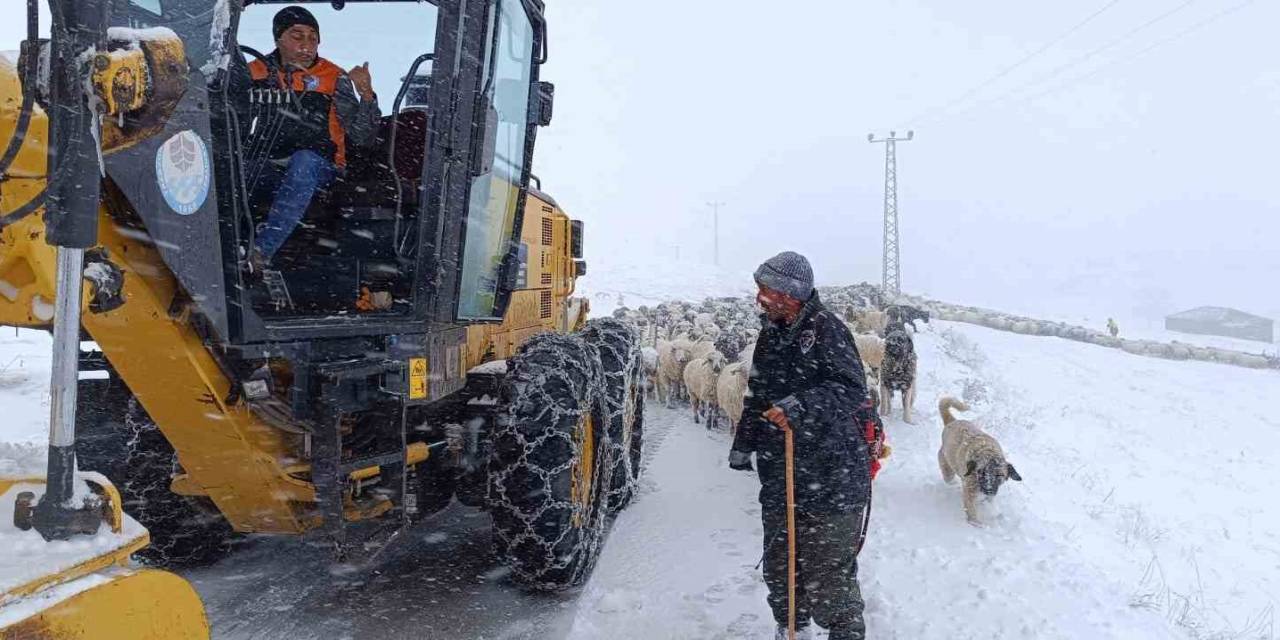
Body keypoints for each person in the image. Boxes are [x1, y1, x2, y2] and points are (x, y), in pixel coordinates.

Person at [729, 251, 873, 640]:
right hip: (783, 472)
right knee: (781, 562)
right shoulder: (770, 333)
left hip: (831, 472)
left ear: (790, 294)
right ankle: (792, 627)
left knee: (827, 571)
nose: (759, 298)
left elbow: (850, 389)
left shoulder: (827, 330)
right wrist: (745, 441)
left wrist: (800, 406)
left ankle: (844, 632)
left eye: (766, 290)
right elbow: (758, 391)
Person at [247, 6, 382, 268]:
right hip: (269, 164)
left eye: (313, 37)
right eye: (297, 36)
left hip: (322, 168)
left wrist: (366, 94)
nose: (306, 44)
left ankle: (261, 253)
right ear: (278, 39)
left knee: (304, 161)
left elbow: (363, 134)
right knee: (227, 167)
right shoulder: (254, 72)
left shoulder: (333, 77)